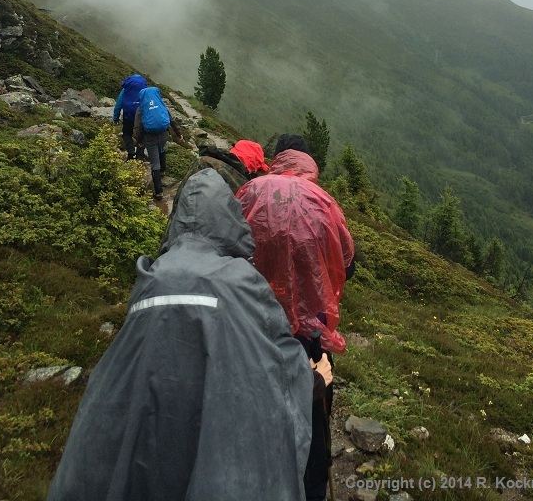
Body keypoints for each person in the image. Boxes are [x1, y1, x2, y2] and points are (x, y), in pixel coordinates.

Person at [47, 169, 314, 501]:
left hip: (147, 422)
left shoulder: (152, 277)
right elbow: (275, 353)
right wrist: (310, 373)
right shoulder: (240, 279)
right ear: (229, 219)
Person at [237, 143, 355, 501]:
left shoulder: (250, 191)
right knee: (313, 410)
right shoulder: (324, 201)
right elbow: (347, 262)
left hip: (253, 321)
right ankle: (309, 483)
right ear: (309, 168)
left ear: (277, 163)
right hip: (311, 328)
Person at [133, 86, 183, 200]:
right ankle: (162, 172)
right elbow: (172, 119)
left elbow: (138, 127)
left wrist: (140, 141)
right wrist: (179, 133)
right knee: (162, 149)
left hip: (150, 138)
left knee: (154, 163)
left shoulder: (141, 109)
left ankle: (159, 192)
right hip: (164, 134)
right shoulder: (161, 104)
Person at [112, 73, 148, 160]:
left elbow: (118, 104)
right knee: (142, 134)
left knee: (127, 133)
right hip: (141, 115)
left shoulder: (126, 90)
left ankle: (131, 151)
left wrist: (115, 118)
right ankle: (140, 155)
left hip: (128, 114)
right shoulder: (145, 90)